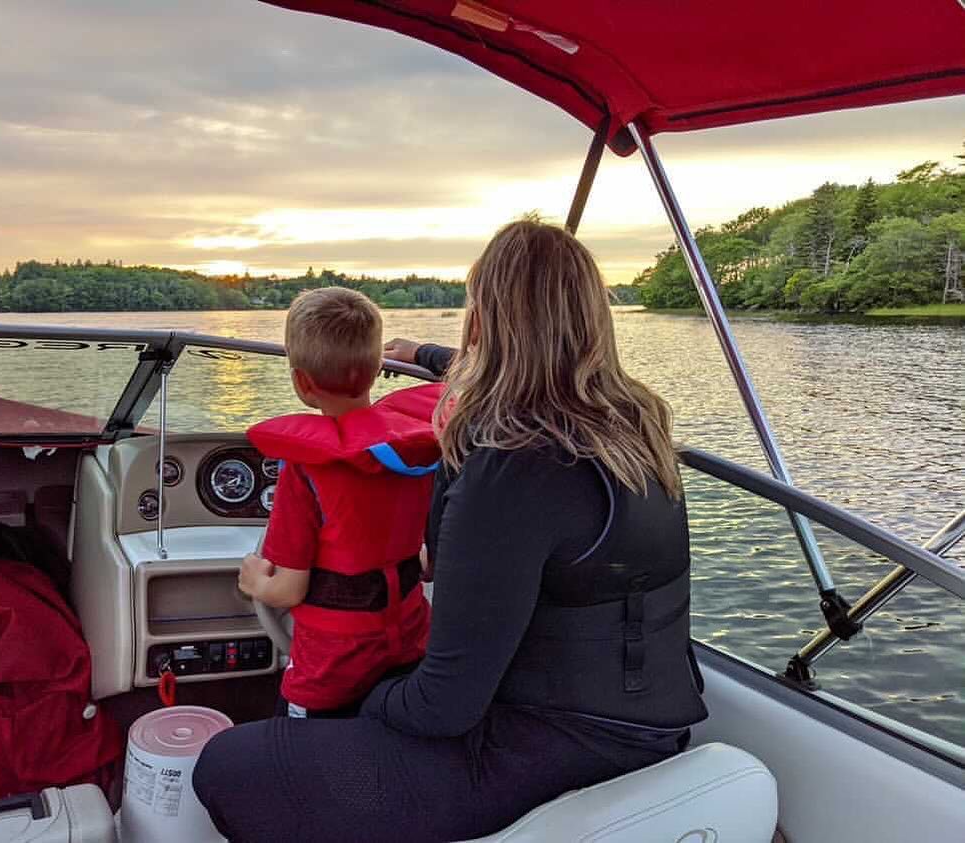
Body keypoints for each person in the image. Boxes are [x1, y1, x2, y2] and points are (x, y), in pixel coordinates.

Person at [194, 219, 707, 842]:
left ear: (482, 322)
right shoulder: (637, 424)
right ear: (594, 317)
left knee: (227, 766)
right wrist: (421, 356)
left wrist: (369, 695)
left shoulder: (514, 467)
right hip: (652, 726)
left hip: (555, 745)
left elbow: (444, 708)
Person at [238, 286, 442, 718]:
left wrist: (256, 582)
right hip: (408, 644)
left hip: (333, 670)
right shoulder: (417, 451)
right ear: (375, 370)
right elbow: (422, 556)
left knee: (292, 737)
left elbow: (288, 590)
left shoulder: (306, 467)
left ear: (300, 382)